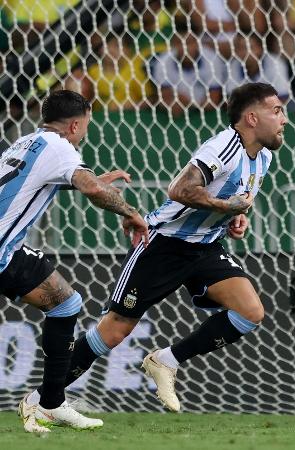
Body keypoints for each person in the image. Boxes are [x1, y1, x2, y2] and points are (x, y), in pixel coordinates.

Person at [23, 82, 287, 412]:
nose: (284, 119)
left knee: (250, 312)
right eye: (276, 110)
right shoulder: (225, 147)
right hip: (163, 243)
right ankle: (41, 400)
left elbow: (233, 201)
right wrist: (225, 206)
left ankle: (165, 360)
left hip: (204, 246)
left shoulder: (262, 158)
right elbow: (179, 189)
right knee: (115, 331)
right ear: (251, 117)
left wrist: (235, 217)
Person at [0, 90, 149, 433]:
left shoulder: (26, 141)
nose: (85, 133)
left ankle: (51, 403)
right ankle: (51, 402)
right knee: (66, 306)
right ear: (75, 125)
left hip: (9, 250)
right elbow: (93, 191)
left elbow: (37, 181)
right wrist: (131, 212)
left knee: (66, 304)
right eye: (86, 127)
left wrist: (95, 179)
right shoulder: (61, 148)